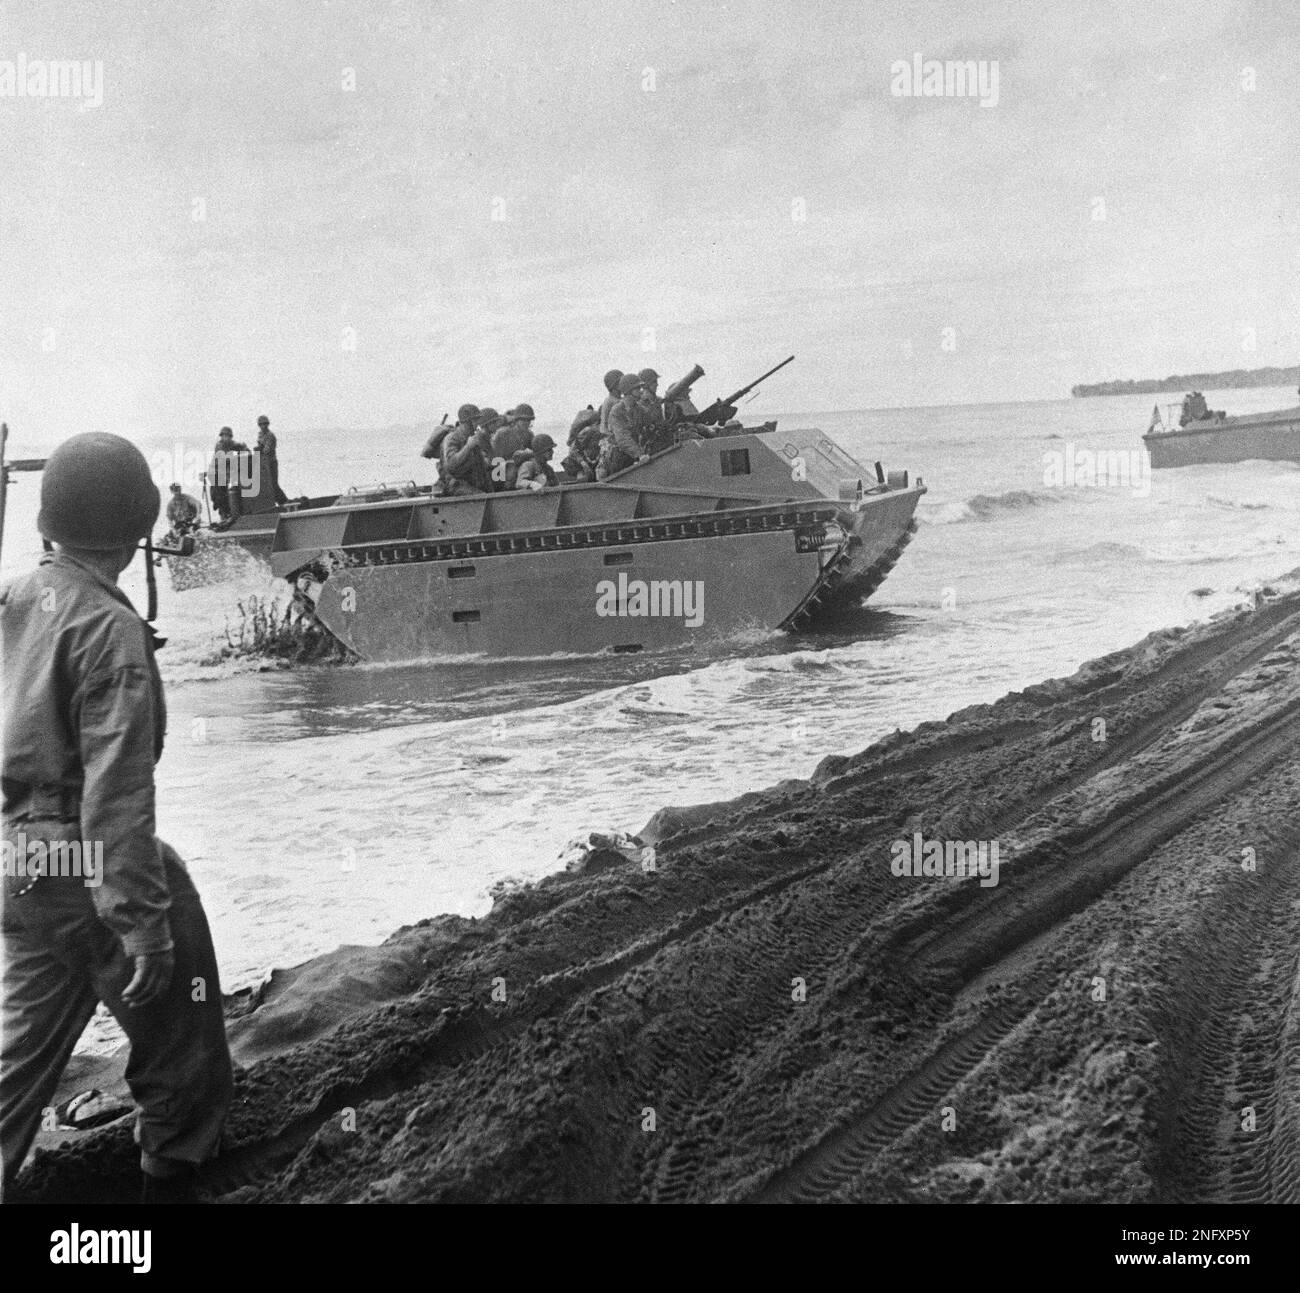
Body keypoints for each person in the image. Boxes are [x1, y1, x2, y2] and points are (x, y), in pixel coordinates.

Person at [0, 433, 234, 1204]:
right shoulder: (111, 632)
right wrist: (139, 919)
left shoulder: (17, 599)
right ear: (138, 531)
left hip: (18, 861)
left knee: (16, 1066)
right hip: (79, 858)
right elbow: (117, 795)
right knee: (183, 1047)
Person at [603, 373, 652, 476]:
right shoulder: (617, 410)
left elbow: (651, 426)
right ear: (629, 391)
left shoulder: (639, 409)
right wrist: (640, 455)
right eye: (638, 388)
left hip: (635, 454)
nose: (641, 391)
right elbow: (622, 438)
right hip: (618, 457)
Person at [440, 404, 495, 495]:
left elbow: (481, 468)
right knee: (482, 497)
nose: (477, 424)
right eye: (475, 420)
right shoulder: (452, 438)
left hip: (474, 485)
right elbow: (451, 464)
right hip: (456, 486)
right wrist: (468, 447)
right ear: (467, 422)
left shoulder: (472, 438)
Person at [207, 427, 250, 523]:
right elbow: (225, 458)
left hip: (226, 471)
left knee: (234, 488)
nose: (226, 438)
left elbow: (243, 448)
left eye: (227, 436)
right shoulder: (219, 445)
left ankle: (234, 512)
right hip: (216, 472)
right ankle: (224, 514)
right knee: (219, 493)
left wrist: (245, 449)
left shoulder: (232, 444)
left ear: (230, 437)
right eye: (224, 436)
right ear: (221, 437)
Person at [254, 415, 288, 506]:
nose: (263, 426)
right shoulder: (260, 434)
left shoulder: (270, 435)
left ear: (267, 424)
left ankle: (284, 502)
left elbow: (266, 450)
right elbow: (260, 446)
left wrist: (259, 449)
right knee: (268, 485)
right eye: (261, 424)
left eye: (265, 424)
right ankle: (281, 503)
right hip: (264, 463)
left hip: (271, 462)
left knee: (273, 484)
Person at [598, 369, 624, 438]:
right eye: (621, 382)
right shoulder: (610, 401)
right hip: (611, 438)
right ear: (614, 385)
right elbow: (604, 427)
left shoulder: (620, 399)